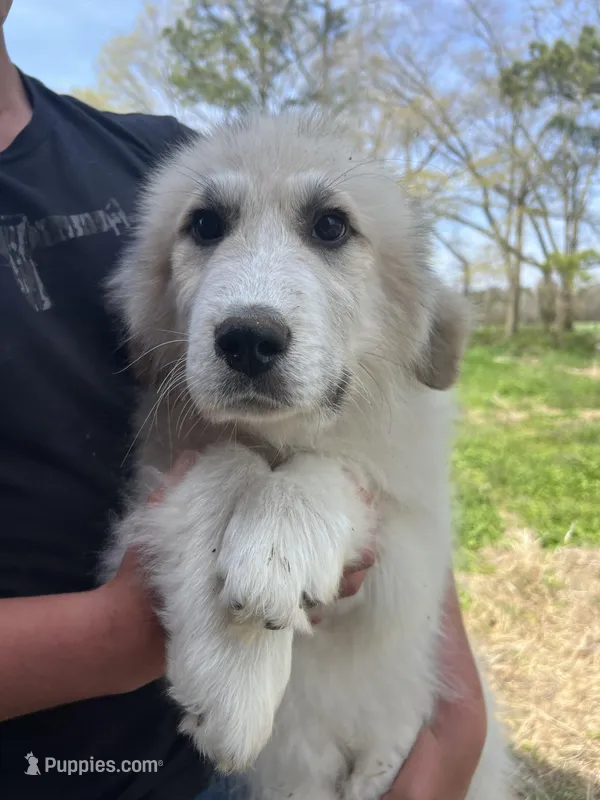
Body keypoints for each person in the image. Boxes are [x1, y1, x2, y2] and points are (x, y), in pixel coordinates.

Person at [0, 2, 486, 798]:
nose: (249, 313)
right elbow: (176, 479)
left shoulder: (149, 156)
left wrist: (454, 719)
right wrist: (127, 629)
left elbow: (401, 491)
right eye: (210, 229)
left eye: (329, 227)